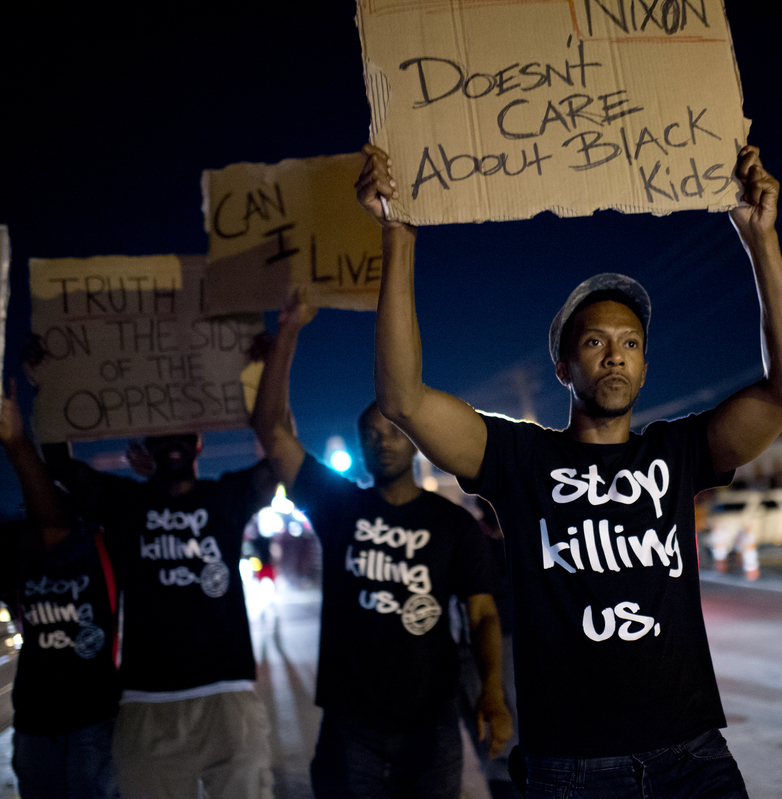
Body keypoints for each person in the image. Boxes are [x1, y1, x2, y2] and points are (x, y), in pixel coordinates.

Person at [361, 142, 782, 797]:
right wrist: (397, 237)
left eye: (630, 344)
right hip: (573, 769)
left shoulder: (677, 451)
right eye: (594, 342)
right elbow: (402, 396)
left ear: (645, 368)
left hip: (693, 756)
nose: (615, 356)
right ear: (563, 369)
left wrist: (760, 243)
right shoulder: (519, 458)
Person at [249, 292, 511, 799]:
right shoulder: (337, 505)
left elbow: (482, 614)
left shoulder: (452, 524)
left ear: (413, 439)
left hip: (431, 727)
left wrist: (492, 695)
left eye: (392, 429)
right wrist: (288, 332)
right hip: (351, 727)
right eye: (369, 433)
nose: (381, 440)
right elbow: (270, 429)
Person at [43, 424, 275, 797]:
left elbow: (278, 455)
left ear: (199, 442)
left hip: (227, 698)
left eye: (183, 432)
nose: (172, 441)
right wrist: (51, 392)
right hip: (146, 704)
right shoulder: (125, 503)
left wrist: (267, 373)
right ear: (145, 441)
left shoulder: (225, 497)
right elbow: (62, 469)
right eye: (161, 432)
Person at [1, 381, 120, 799]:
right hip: (35, 727)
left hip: (93, 722)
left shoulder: (98, 547)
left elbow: (55, 524)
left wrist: (19, 442)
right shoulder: (20, 555)